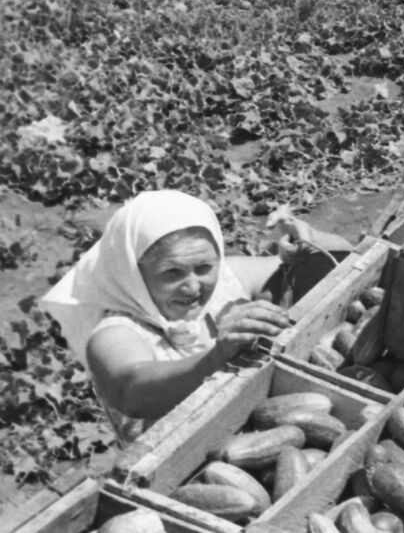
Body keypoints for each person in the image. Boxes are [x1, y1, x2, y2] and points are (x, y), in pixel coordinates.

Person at [40, 190, 352, 443]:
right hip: (181, 458)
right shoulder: (114, 332)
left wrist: (310, 242)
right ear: (134, 274)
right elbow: (131, 390)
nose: (192, 286)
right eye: (172, 273)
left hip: (253, 427)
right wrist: (215, 357)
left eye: (203, 268)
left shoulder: (229, 280)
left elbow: (335, 267)